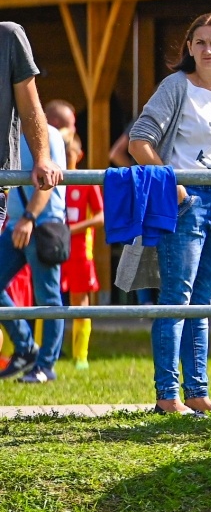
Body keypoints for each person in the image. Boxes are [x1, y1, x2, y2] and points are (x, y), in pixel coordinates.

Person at [127, 13, 211, 412]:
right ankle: (168, 395)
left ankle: (199, 393)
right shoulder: (175, 87)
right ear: (189, 47)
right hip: (188, 203)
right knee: (178, 296)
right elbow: (140, 141)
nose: (208, 49)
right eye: (200, 42)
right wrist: (177, 188)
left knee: (204, 300)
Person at [0, 22, 66, 382]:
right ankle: (26, 348)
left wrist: (27, 218)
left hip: (41, 224)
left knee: (47, 298)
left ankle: (46, 366)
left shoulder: (49, 136)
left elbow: (48, 181)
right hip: (14, 225)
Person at [59, 133, 103, 370]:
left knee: (79, 301)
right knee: (47, 301)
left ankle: (81, 356)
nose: (65, 159)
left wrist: (74, 229)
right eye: (62, 154)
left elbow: (100, 216)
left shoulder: (87, 181)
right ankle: (47, 355)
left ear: (79, 154)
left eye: (69, 154)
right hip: (55, 249)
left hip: (79, 253)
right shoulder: (54, 181)